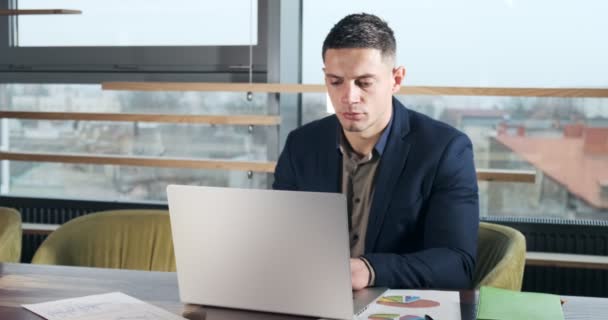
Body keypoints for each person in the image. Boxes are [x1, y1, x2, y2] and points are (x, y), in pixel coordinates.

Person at [273, 13, 479, 290]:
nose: (348, 97)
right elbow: (278, 239)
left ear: (396, 79)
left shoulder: (445, 149)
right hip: (310, 297)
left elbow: (457, 264)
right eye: (336, 82)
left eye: (364, 83)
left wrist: (369, 270)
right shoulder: (301, 145)